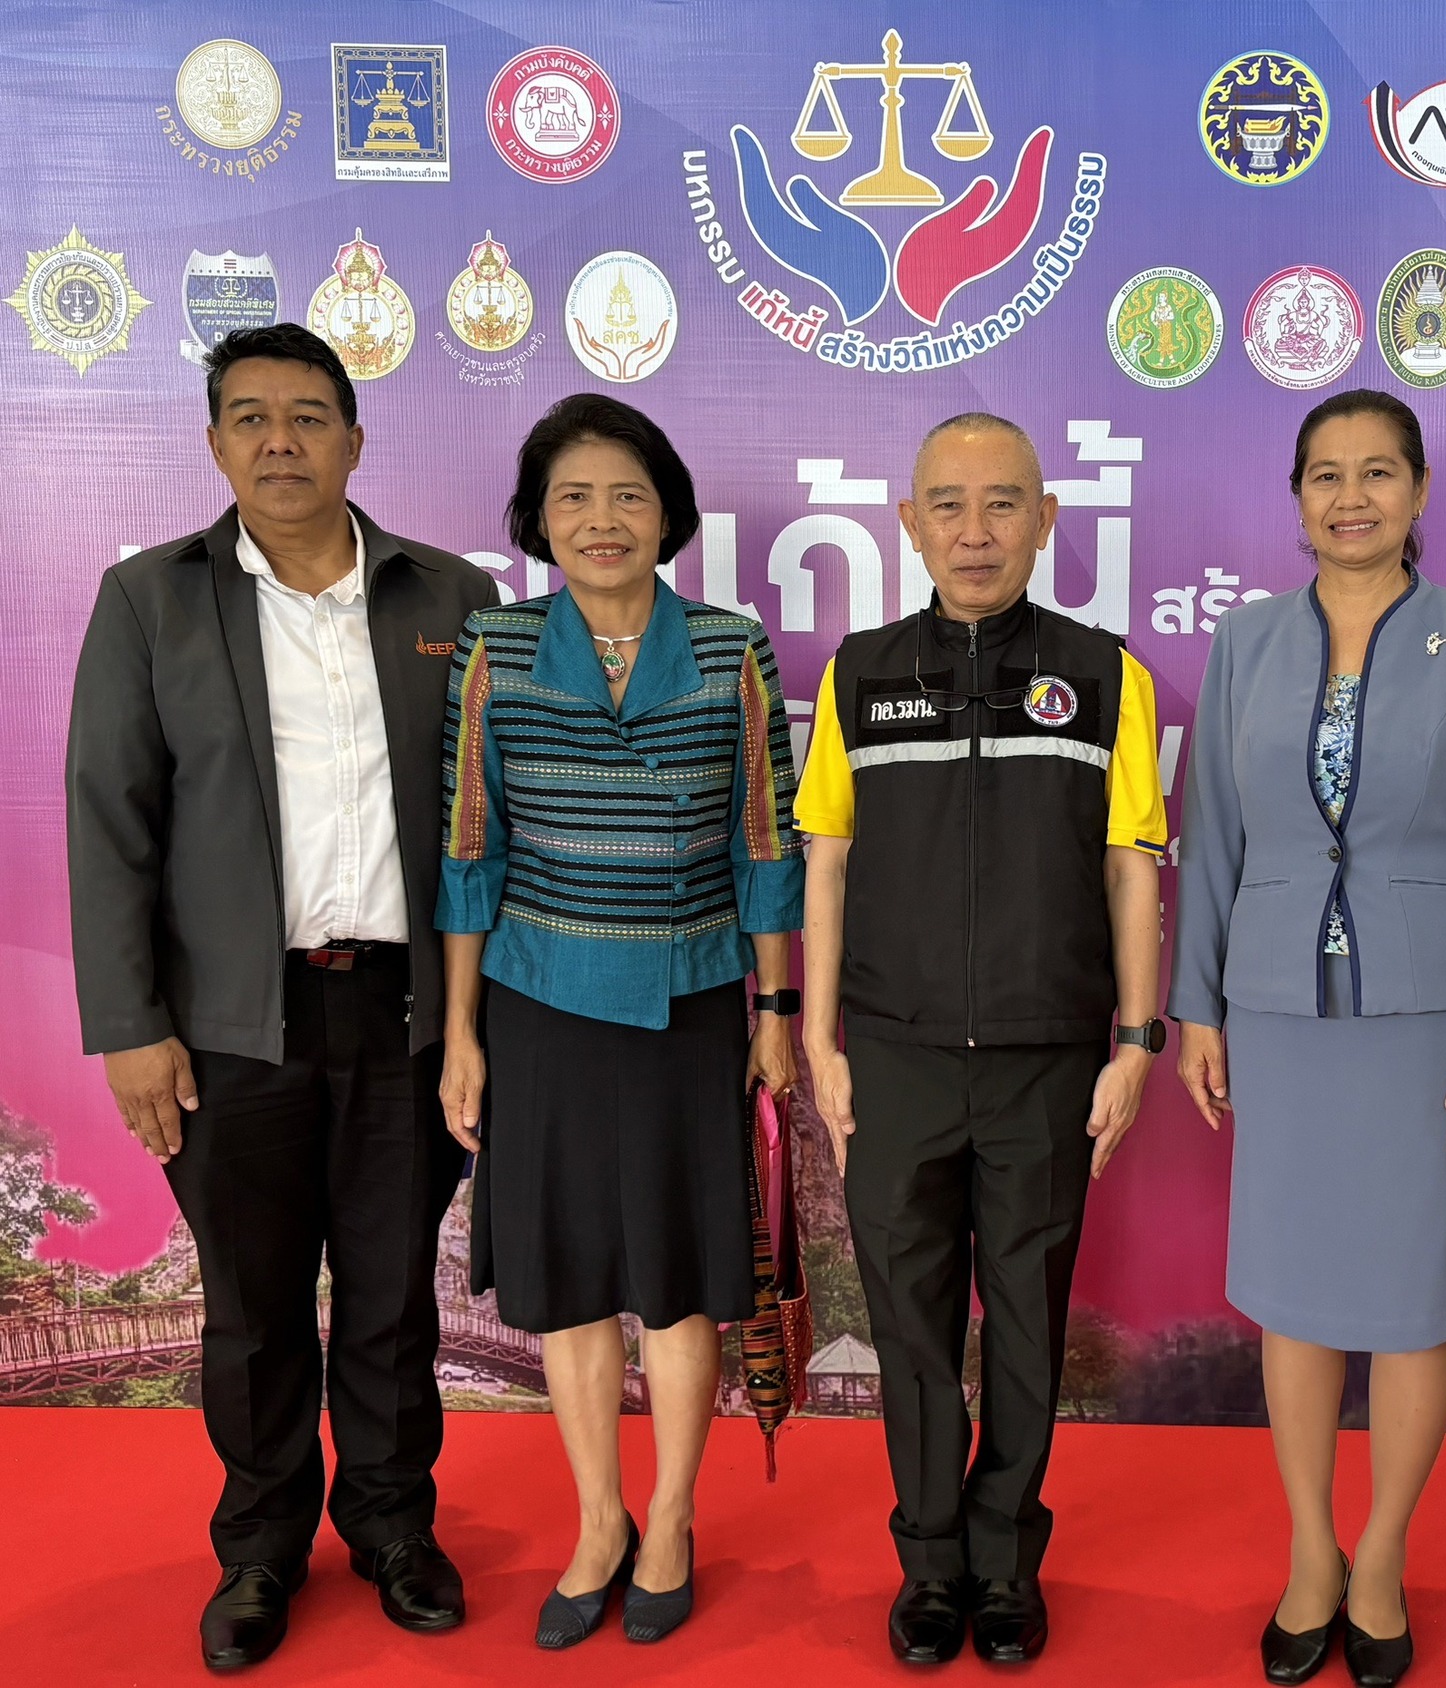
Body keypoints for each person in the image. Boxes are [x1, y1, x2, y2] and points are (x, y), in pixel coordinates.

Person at [65, 323, 497, 1671]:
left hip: (403, 1013)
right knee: (252, 1305)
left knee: (391, 1294)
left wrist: (484, 1018)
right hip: (231, 1023)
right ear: (214, 444)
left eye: (308, 416)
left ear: (355, 440)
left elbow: (490, 816)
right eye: (249, 417)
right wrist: (131, 1027)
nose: (279, 441)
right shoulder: (152, 599)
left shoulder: (453, 595)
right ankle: (259, 1550)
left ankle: (392, 1527)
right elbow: (110, 823)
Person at [1171, 389, 1446, 1688]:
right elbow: (1212, 838)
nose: (1351, 497)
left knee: (1412, 1300)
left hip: (1433, 1022)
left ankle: (1380, 1555)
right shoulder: (1245, 642)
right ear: (1296, 498)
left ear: (1419, 491)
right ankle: (1311, 1552)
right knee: (1293, 1292)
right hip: (1279, 1010)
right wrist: (1197, 1002)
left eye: (1378, 471)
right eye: (1325, 475)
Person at [797, 413, 1167, 1667]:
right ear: (908, 523)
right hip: (891, 1057)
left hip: (1044, 1057)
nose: (974, 530)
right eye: (946, 506)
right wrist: (819, 1039)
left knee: (1023, 1317)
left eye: (1001, 503)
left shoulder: (1102, 675)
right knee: (909, 1328)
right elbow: (826, 860)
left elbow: (1130, 864)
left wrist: (1133, 1038)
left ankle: (1004, 1562)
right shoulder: (858, 673)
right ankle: (928, 1561)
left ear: (1044, 519)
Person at [436, 393, 804, 1651]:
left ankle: (671, 1518)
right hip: (538, 1007)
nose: (602, 519)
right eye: (575, 496)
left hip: (689, 1008)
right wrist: (463, 1033)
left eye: (628, 495)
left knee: (679, 1282)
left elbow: (764, 842)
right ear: (537, 518)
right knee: (571, 1284)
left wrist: (773, 1008)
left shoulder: (728, 646)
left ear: (668, 515)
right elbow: (469, 848)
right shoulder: (495, 645)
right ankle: (598, 1520)